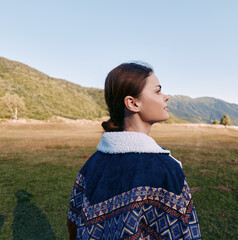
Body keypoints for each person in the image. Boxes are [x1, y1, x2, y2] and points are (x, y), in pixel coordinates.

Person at [67, 62, 201, 239]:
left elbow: (73, 222)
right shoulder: (166, 171)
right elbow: (185, 233)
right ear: (132, 103)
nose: (165, 96)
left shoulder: (92, 163)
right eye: (157, 91)